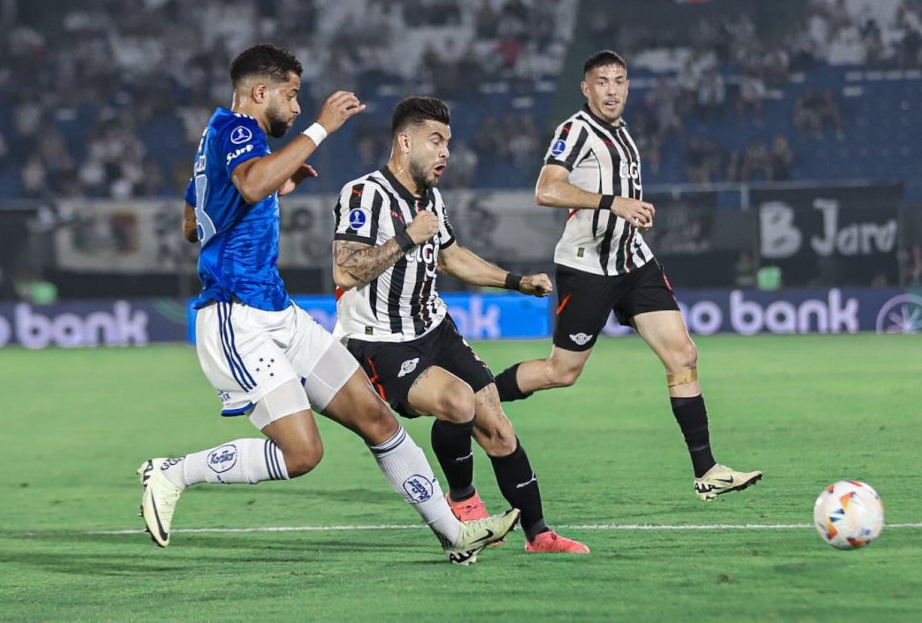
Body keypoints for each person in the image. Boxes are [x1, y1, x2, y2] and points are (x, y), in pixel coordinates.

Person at [136, 44, 517, 565]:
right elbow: (249, 183)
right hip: (235, 315)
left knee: (377, 418)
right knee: (303, 453)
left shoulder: (215, 140)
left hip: (279, 313)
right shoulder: (236, 129)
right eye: (291, 97)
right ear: (260, 92)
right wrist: (319, 129)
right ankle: (172, 472)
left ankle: (457, 534)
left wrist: (275, 186)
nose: (295, 109)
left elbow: (192, 222)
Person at [492, 50, 762, 503]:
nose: (612, 89)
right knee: (562, 372)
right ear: (586, 88)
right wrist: (614, 203)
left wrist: (633, 211)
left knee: (683, 354)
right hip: (587, 265)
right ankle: (479, 398)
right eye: (602, 81)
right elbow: (546, 189)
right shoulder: (574, 131)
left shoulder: (623, 134)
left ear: (629, 86)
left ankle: (707, 470)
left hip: (633, 260)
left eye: (619, 80)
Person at [331, 96, 588, 554]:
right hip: (381, 341)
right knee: (457, 401)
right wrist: (409, 235)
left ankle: (539, 534)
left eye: (448, 141)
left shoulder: (431, 198)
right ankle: (463, 500)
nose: (446, 151)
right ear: (405, 141)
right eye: (436, 141)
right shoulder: (364, 194)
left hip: (434, 326)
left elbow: (450, 256)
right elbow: (346, 271)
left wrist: (515, 282)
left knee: (497, 423)